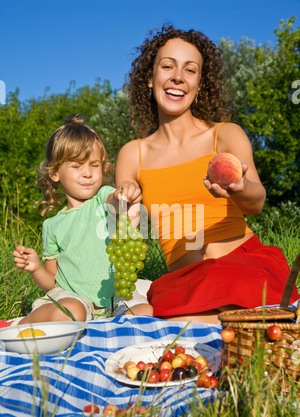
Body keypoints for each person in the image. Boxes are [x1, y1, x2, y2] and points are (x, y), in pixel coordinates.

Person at [116, 24, 299, 324]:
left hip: (243, 265)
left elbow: (257, 203)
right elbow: (125, 230)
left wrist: (239, 189)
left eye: (190, 70)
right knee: (141, 314)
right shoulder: (132, 154)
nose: (178, 76)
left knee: (160, 319)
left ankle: (228, 320)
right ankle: (246, 322)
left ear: (200, 85)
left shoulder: (225, 135)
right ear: (150, 79)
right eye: (167, 66)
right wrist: (123, 205)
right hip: (188, 282)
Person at [13, 114, 143, 325]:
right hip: (75, 300)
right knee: (72, 311)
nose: (88, 174)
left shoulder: (103, 198)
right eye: (76, 166)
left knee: (144, 310)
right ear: (55, 173)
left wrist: (125, 193)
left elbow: (115, 199)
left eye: (94, 165)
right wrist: (36, 268)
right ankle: (22, 325)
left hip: (114, 301)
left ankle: (105, 330)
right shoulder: (52, 225)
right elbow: (53, 283)